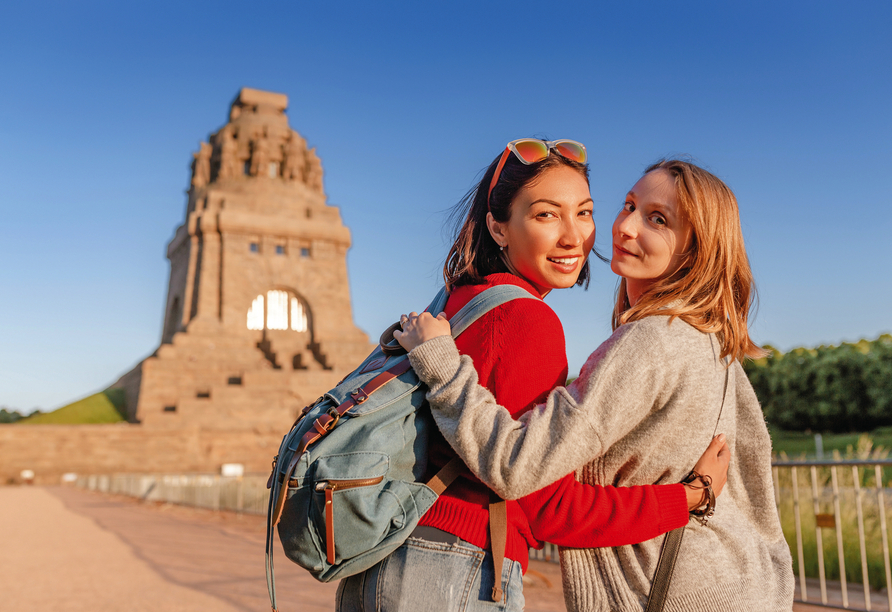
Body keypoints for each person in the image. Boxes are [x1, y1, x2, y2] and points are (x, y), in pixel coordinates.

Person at [338, 144, 730, 612]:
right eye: (547, 215)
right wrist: (686, 498)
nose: (574, 237)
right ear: (498, 227)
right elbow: (549, 508)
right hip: (453, 568)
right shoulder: (527, 319)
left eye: (583, 213)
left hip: (392, 556)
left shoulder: (459, 301)